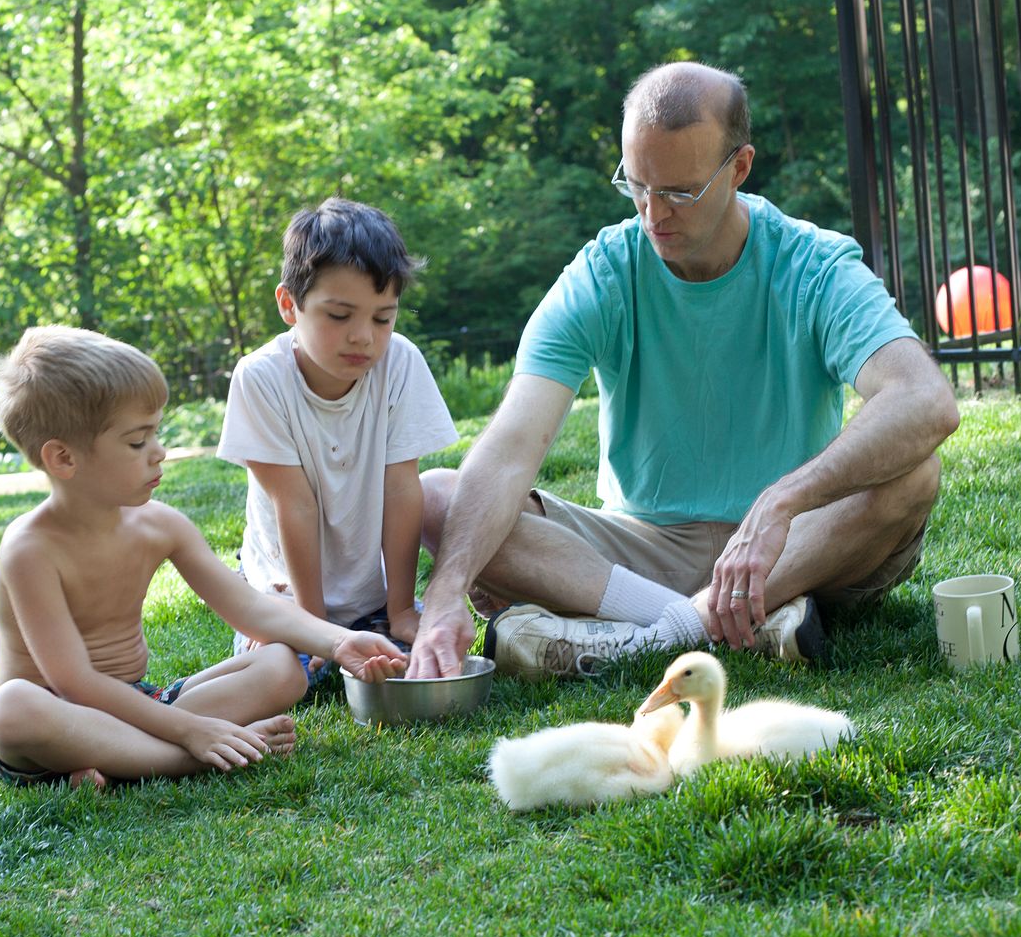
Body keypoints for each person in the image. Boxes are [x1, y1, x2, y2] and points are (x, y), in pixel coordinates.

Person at [410, 61, 961, 680]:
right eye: (637, 185)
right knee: (437, 498)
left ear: (740, 168)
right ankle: (723, 622)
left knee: (914, 472)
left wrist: (781, 502)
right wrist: (446, 592)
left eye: (678, 191)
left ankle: (643, 635)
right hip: (639, 551)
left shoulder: (815, 265)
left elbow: (924, 400)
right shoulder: (602, 274)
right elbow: (511, 448)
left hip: (800, 546)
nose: (653, 213)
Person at [0, 325, 407, 789]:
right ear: (64, 459)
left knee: (282, 665)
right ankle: (186, 758)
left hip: (141, 703)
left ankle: (122, 763)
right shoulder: (30, 550)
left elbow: (248, 607)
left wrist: (337, 642)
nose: (159, 452)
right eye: (136, 441)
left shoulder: (159, 525)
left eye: (156, 434)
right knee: (11, 708)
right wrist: (191, 732)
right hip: (56, 716)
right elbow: (73, 683)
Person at [217, 197, 458, 684]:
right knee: (280, 678)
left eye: (382, 318)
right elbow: (295, 505)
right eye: (340, 315)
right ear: (290, 305)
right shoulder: (259, 378)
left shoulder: (401, 364)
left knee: (413, 664)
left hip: (371, 598)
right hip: (286, 600)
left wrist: (401, 611)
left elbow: (401, 489)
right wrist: (316, 631)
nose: (363, 338)